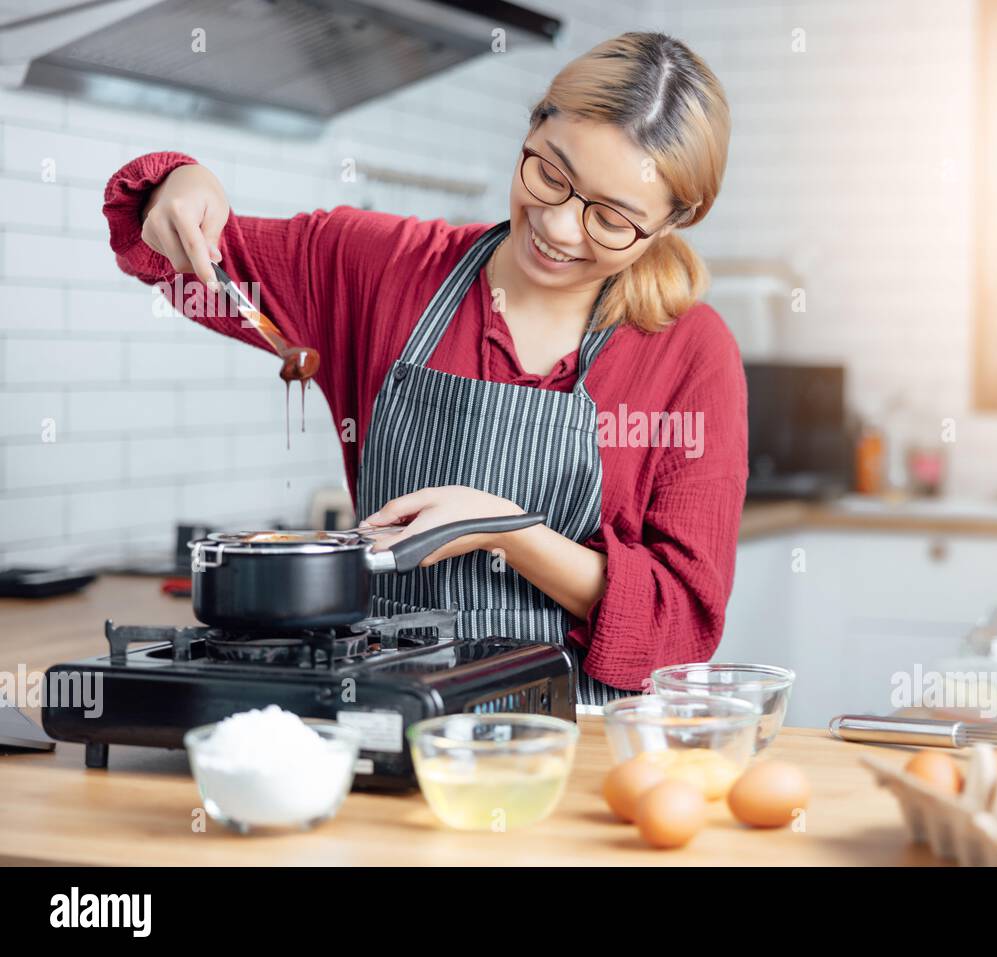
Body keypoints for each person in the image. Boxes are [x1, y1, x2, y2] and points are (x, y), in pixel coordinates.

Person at [103, 32, 746, 705]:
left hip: (574, 761)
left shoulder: (692, 354)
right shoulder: (380, 268)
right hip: (387, 724)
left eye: (611, 218)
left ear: (673, 222)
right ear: (533, 125)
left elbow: (681, 626)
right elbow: (180, 262)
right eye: (550, 174)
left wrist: (508, 530)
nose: (558, 227)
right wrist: (179, 184)